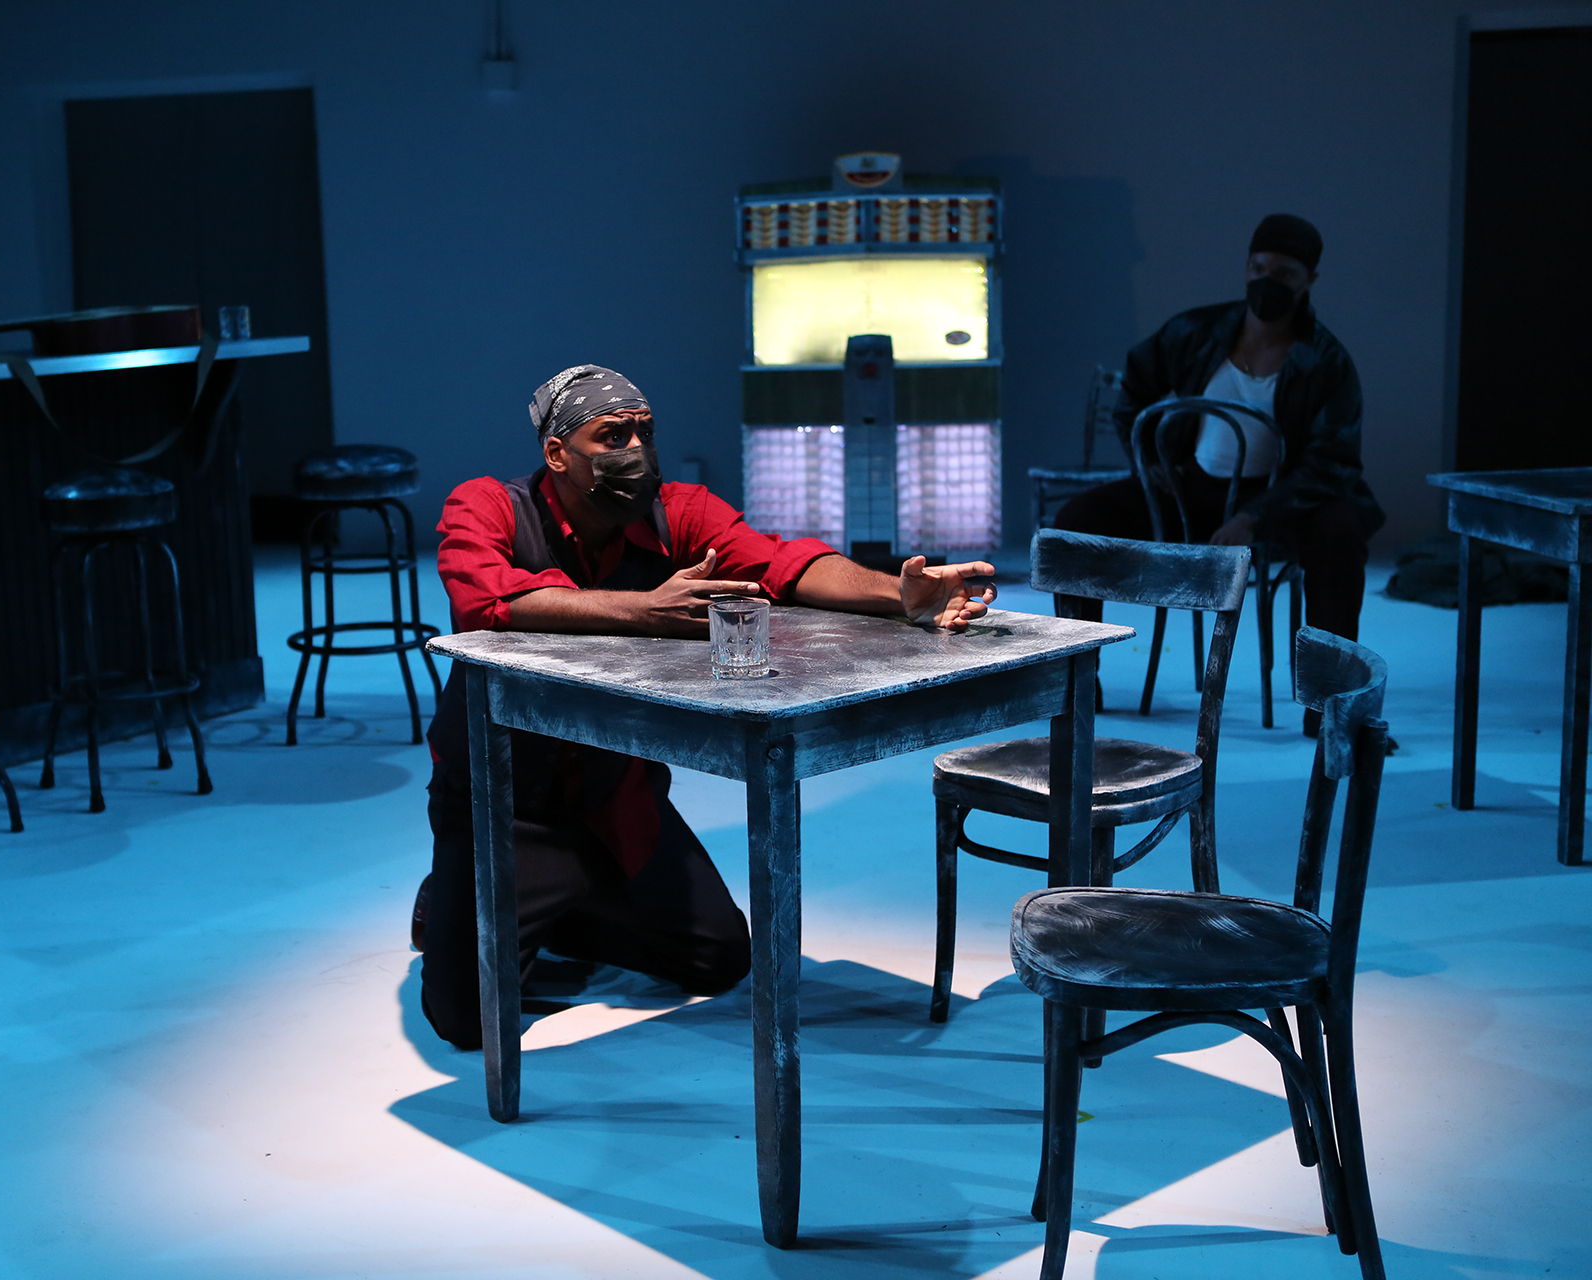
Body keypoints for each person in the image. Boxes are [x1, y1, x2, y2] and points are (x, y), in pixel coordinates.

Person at [416, 364, 997, 1050]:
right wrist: (643, 611)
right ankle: (456, 899)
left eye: (644, 431)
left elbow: (782, 564)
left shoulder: (679, 510)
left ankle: (555, 910)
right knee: (465, 1021)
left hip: (613, 792)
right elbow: (484, 599)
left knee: (717, 958)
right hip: (504, 800)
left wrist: (895, 595)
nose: (636, 449)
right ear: (557, 452)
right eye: (612, 436)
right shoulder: (490, 505)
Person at [1055, 214, 1384, 658]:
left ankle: (1330, 691)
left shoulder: (1326, 361)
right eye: (1259, 268)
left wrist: (1255, 517)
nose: (1268, 282)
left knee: (1340, 532)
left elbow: (1332, 461)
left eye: (1285, 273)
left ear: (1309, 280)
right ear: (1246, 268)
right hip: (1190, 488)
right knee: (1076, 521)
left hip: (1279, 500)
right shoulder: (1197, 332)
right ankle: (1076, 676)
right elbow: (1136, 387)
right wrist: (1149, 460)